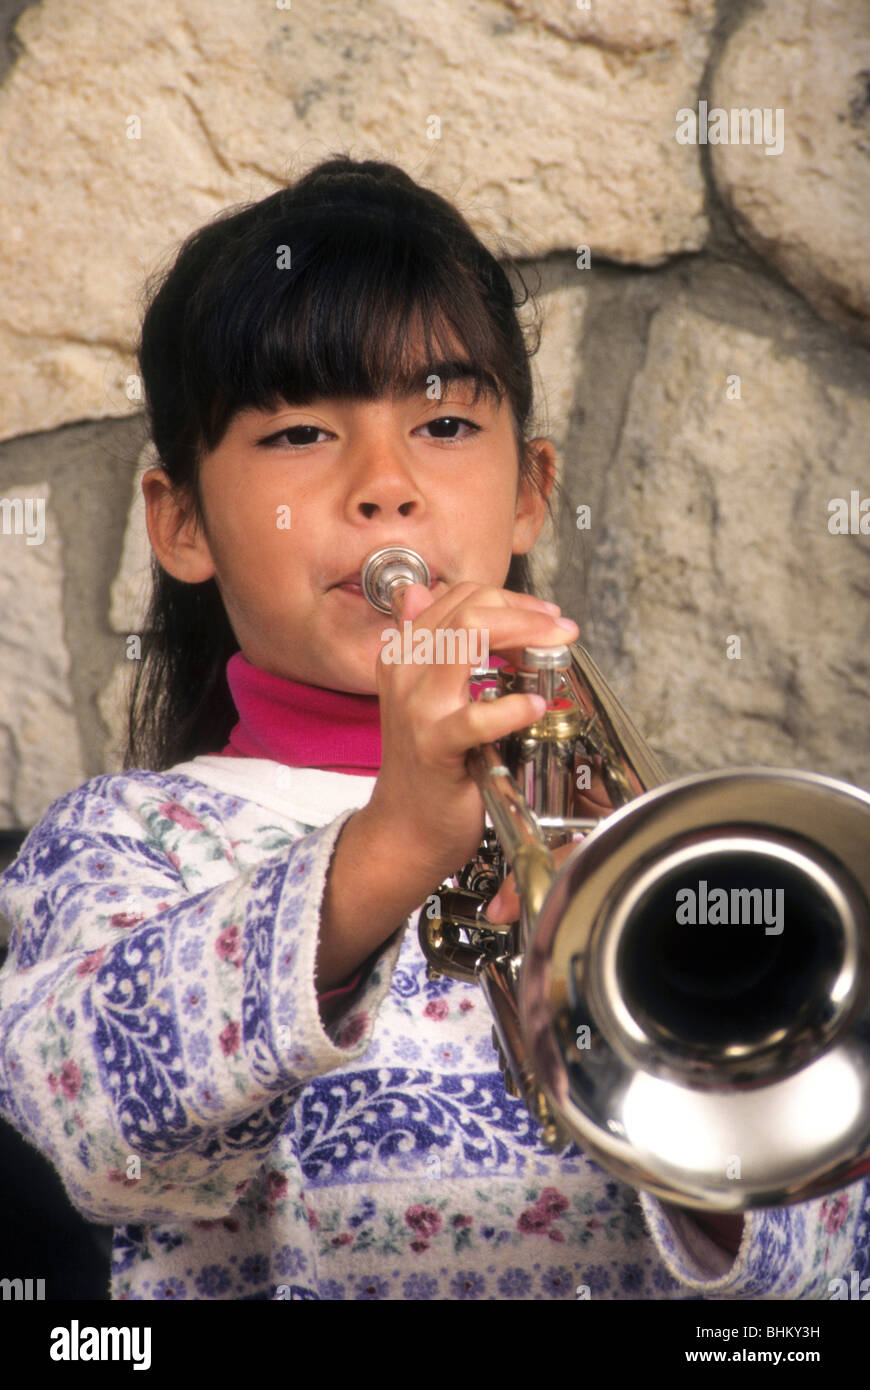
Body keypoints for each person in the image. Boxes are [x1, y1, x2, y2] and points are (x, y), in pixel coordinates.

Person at [0, 155, 864, 1302]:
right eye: (301, 434)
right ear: (184, 524)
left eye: (446, 420)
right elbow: (91, 1126)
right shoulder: (126, 841)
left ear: (527, 496)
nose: (386, 486)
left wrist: (688, 1015)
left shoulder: (670, 855)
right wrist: (390, 846)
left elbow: (821, 1268)